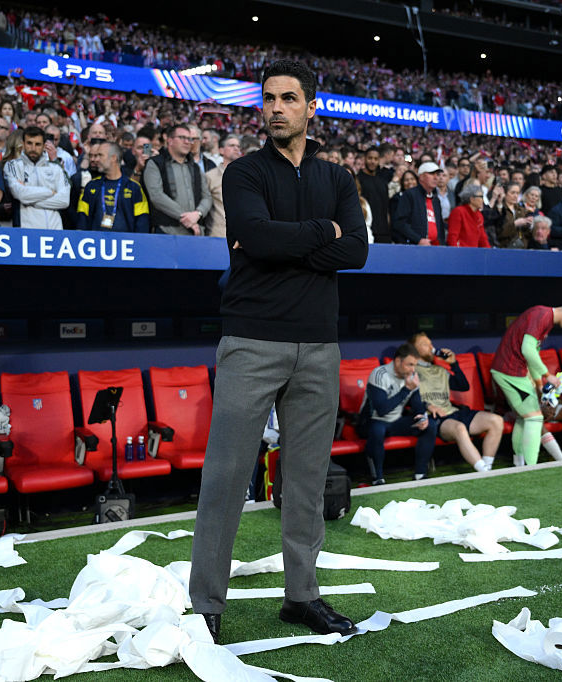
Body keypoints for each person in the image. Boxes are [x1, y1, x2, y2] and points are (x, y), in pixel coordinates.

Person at [188, 60, 367, 645]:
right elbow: (257, 240)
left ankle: (303, 597)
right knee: (226, 476)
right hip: (251, 338)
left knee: (308, 481)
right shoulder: (242, 173)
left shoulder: (338, 178)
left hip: (319, 343)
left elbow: (357, 253)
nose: (276, 108)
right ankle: (206, 605)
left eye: (289, 99)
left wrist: (288, 241)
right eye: (268, 99)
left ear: (310, 107)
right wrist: (323, 234)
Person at [490, 297, 562, 466]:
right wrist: (547, 374)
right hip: (509, 371)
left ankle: (519, 464)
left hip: (515, 371)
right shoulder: (541, 315)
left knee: (525, 417)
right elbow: (527, 350)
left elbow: (533, 352)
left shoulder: (546, 320)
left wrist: (538, 383)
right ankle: (532, 469)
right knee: (535, 418)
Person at [411, 333, 503, 472]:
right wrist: (427, 406)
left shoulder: (440, 370)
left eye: (431, 344)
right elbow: (407, 399)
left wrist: (453, 364)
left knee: (496, 420)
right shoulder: (411, 371)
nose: (431, 347)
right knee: (460, 428)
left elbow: (463, 386)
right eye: (425, 344)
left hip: (454, 412)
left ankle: (487, 467)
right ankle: (484, 471)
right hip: (437, 418)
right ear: (413, 349)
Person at [364, 343, 437, 483]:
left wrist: (422, 416)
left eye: (414, 365)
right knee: (377, 430)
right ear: (398, 361)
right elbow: (381, 409)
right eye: (409, 364)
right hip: (374, 420)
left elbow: (416, 404)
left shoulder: (411, 376)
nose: (412, 369)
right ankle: (378, 477)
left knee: (430, 425)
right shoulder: (379, 374)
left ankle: (420, 474)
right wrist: (406, 390)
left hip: (396, 421)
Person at [144, 123, 212, 235]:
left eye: (189, 139)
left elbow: (207, 196)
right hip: (166, 232)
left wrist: (198, 214)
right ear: (169, 140)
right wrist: (185, 218)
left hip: (195, 232)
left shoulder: (195, 167)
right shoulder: (155, 163)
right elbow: (156, 196)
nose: (187, 142)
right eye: (182, 138)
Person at [3, 126, 71, 230]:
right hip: (27, 232)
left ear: (44, 146)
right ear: (23, 144)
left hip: (55, 231)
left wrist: (28, 199)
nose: (33, 148)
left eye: (38, 144)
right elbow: (20, 194)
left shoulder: (56, 168)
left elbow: (64, 200)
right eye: (29, 143)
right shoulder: (13, 165)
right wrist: (49, 192)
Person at [75, 141, 149, 232]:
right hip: (97, 243)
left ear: (113, 158)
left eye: (100, 155)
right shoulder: (91, 186)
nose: (96, 159)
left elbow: (142, 221)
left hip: (125, 244)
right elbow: (82, 219)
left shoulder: (134, 187)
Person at [392, 162, 445, 245]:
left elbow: (440, 225)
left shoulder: (436, 200)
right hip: (415, 248)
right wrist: (418, 239)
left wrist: (441, 243)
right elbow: (400, 223)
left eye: (437, 174)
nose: (436, 177)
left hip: (435, 248)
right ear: (421, 177)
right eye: (431, 174)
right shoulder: (409, 195)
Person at [204, 134, 242, 238]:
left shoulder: (246, 177)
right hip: (218, 234)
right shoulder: (210, 176)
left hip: (243, 236)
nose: (236, 148)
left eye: (238, 146)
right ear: (221, 150)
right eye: (231, 145)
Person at [357, 146, 391, 243]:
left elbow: (386, 206)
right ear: (364, 159)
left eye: (375, 159)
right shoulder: (358, 179)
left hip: (384, 231)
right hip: (366, 230)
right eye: (370, 158)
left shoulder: (382, 180)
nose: (373, 161)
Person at [447, 183, 489, 248]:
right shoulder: (458, 212)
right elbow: (453, 236)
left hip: (474, 253)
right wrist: (454, 254)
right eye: (481, 197)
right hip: (461, 253)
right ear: (472, 199)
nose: (482, 200)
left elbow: (483, 239)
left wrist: (489, 254)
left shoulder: (479, 215)